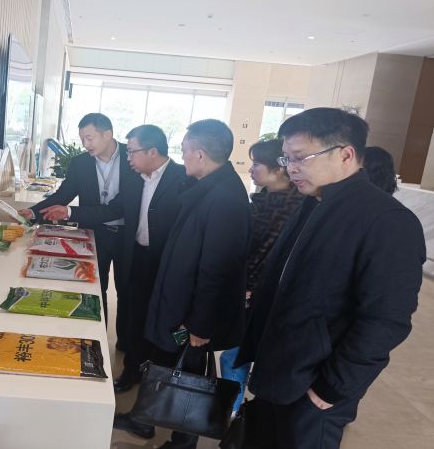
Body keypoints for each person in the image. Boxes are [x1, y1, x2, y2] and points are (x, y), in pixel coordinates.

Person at [236, 108, 426, 449]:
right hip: (279, 371)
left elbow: (386, 320)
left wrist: (331, 387)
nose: (291, 168)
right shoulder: (313, 202)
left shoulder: (388, 221)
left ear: (346, 155)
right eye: (286, 158)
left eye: (300, 158)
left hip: (314, 387)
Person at [114, 119, 251, 447]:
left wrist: (200, 325)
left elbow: (216, 270)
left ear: (200, 154)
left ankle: (182, 441)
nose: (182, 156)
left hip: (193, 317)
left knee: (190, 373)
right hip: (177, 305)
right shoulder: (206, 187)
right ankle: (143, 420)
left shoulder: (226, 199)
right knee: (163, 358)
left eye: (185, 150)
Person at [43, 124, 190, 393]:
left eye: (132, 152)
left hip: (168, 264)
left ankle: (158, 381)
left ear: (152, 151)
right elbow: (113, 209)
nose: (127, 157)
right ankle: (132, 370)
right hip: (138, 255)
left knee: (160, 320)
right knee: (134, 314)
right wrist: (70, 213)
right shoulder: (136, 178)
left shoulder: (183, 179)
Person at [18, 113, 138, 348]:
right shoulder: (81, 162)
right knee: (95, 288)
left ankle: (125, 343)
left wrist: (70, 212)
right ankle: (96, 341)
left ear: (108, 134)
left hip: (128, 236)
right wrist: (34, 212)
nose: (85, 144)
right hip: (94, 235)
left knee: (127, 290)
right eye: (82, 139)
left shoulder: (132, 157)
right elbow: (63, 195)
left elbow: (120, 208)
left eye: (89, 138)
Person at [219, 138, 304, 416]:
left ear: (279, 169)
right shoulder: (264, 200)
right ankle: (231, 409)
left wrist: (252, 287)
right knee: (235, 354)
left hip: (266, 297)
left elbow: (275, 258)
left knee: (236, 355)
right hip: (247, 290)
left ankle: (231, 412)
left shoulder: (296, 209)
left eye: (257, 164)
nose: (251, 169)